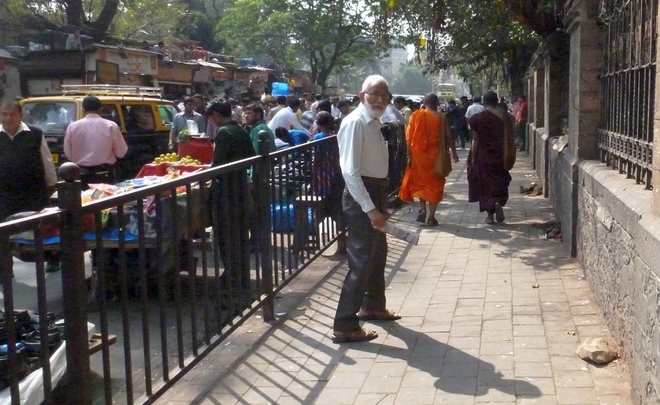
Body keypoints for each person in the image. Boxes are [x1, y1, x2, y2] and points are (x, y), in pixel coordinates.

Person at [332, 75, 400, 344]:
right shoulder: (355, 123)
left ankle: (373, 305)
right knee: (361, 259)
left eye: (385, 96)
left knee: (377, 252)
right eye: (375, 94)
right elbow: (350, 171)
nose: (380, 100)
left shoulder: (374, 122)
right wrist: (371, 209)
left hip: (375, 192)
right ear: (362, 95)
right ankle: (345, 324)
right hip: (363, 196)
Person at [0, 100, 59, 273]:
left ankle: (52, 258)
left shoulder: (35, 134)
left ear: (21, 115)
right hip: (4, 193)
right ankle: (5, 268)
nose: (8, 118)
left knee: (43, 228)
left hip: (33, 191)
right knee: (3, 231)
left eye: (12, 114)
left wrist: (51, 184)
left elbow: (47, 162)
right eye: (4, 114)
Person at [206, 102, 256, 292]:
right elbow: (251, 155)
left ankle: (232, 277)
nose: (211, 122)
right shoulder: (241, 130)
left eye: (211, 118)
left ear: (217, 115)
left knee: (226, 237)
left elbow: (218, 165)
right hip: (241, 188)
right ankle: (240, 274)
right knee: (240, 236)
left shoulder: (224, 133)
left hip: (227, 193)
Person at [399, 93, 459, 227]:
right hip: (437, 157)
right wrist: (454, 152)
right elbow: (449, 137)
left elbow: (409, 138)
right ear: (437, 103)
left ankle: (422, 208)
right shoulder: (442, 118)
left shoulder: (416, 115)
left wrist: (409, 155)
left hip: (419, 155)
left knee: (421, 183)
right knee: (435, 184)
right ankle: (431, 217)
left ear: (424, 103)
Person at [467, 91, 514, 224]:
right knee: (500, 181)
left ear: (484, 102)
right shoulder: (506, 116)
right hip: (501, 155)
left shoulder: (476, 118)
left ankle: (490, 216)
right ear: (497, 101)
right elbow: (510, 136)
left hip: (483, 156)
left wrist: (472, 157)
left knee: (485, 185)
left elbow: (475, 140)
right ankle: (498, 201)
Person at [63, 96, 128, 186]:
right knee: (106, 199)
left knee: (83, 198)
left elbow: (68, 152)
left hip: (81, 173)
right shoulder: (111, 126)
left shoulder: (73, 127)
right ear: (100, 110)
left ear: (83, 110)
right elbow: (121, 152)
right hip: (104, 173)